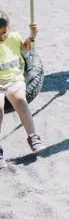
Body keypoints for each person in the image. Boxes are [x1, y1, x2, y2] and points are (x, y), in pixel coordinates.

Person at [0, 11, 46, 169]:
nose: (2, 37)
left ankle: (33, 137)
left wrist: (32, 36)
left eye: (4, 33)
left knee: (20, 100)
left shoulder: (13, 37)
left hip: (14, 80)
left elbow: (27, 48)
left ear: (9, 28)